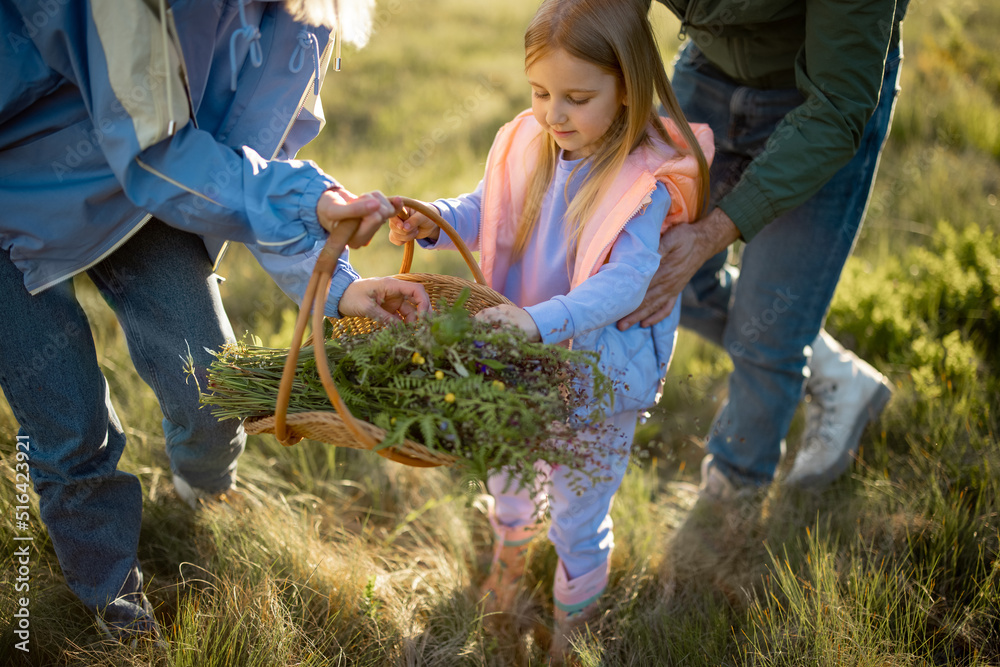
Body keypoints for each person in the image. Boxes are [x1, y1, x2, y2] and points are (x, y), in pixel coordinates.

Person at [0, 0, 428, 644]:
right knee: (68, 423)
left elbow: (244, 173)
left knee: (211, 383)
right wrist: (305, 196)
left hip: (143, 202)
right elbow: (154, 149)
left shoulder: (302, 20)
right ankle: (110, 604)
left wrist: (339, 284)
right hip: (28, 185)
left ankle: (201, 496)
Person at [388, 0, 711, 659]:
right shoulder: (532, 143)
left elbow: (626, 280)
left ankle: (576, 631)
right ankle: (510, 562)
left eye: (576, 97)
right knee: (507, 474)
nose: (553, 113)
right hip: (518, 361)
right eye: (539, 92)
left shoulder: (639, 180)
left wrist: (539, 322)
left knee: (577, 509)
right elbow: (489, 209)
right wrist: (437, 218)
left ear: (626, 89)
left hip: (593, 377)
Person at [618, 0, 907, 495]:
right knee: (657, 275)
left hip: (822, 98)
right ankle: (835, 372)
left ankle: (733, 493)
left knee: (767, 334)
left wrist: (712, 233)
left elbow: (837, 107)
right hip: (708, 73)